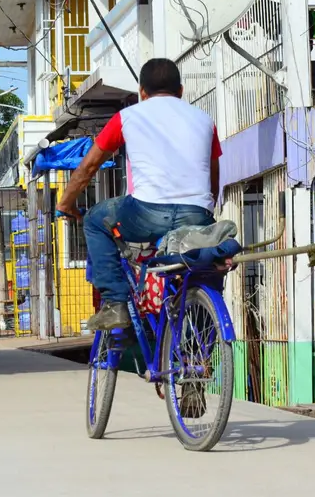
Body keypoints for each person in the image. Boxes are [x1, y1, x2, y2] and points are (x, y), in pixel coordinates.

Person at [56, 58, 221, 332]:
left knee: (96, 220)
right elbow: (213, 176)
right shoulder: (205, 120)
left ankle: (115, 303)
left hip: (146, 214)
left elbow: (89, 166)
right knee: (200, 270)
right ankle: (202, 340)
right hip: (197, 213)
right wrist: (205, 212)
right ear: (180, 91)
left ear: (141, 92)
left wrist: (66, 203)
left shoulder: (128, 116)